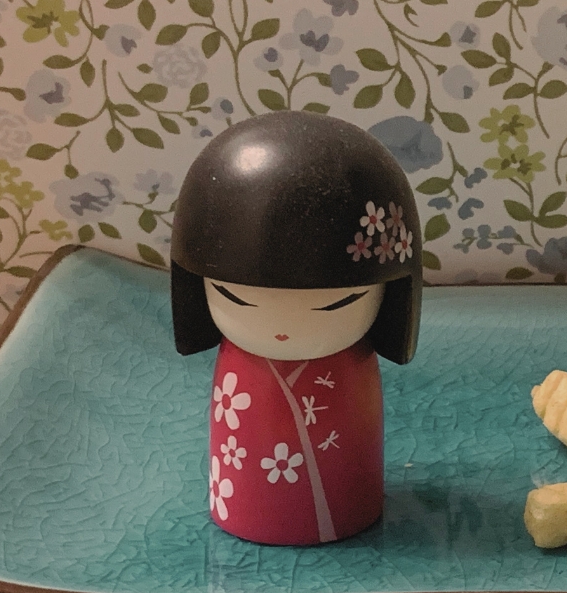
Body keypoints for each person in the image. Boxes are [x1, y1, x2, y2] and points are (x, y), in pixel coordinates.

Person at [169, 111, 421, 545]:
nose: (283, 329)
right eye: (236, 297)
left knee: (345, 482)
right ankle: (253, 514)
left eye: (335, 303)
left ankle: (343, 510)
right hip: (245, 490)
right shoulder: (240, 360)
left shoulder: (353, 366)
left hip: (349, 499)